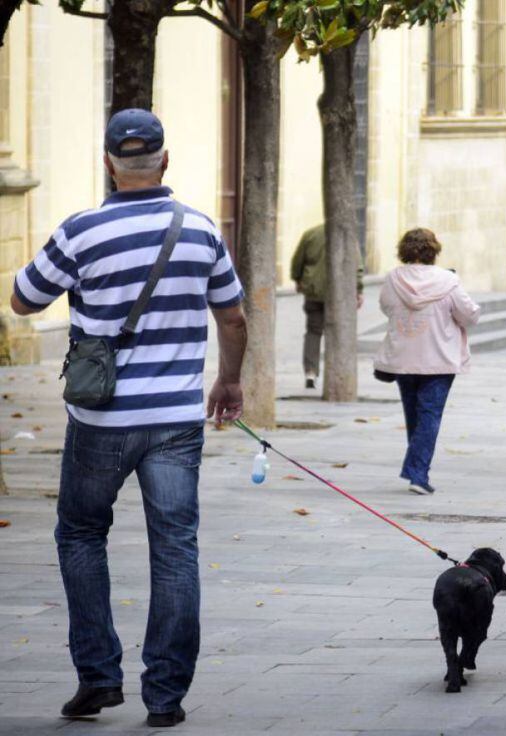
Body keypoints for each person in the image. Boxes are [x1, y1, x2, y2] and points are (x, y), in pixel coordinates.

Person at [9, 109, 247, 727]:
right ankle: (165, 697)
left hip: (99, 424)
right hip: (175, 420)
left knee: (82, 534)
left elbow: (23, 299)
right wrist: (230, 380)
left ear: (108, 163)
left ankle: (98, 676)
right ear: (165, 160)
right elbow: (234, 316)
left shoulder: (81, 231)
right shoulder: (199, 230)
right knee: (176, 551)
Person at [374, 228, 480, 495]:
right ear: (434, 251)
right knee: (430, 415)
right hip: (439, 358)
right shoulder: (448, 281)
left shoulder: (393, 278)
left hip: (403, 358)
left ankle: (416, 470)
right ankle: (418, 475)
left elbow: (386, 307)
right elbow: (468, 315)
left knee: (414, 415)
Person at [290, 223, 365, 389]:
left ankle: (310, 371)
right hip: (340, 293)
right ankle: (338, 372)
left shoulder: (310, 233)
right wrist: (358, 289)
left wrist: (297, 279)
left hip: (314, 290)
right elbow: (357, 266)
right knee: (338, 332)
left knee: (313, 332)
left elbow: (298, 260)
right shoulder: (347, 235)